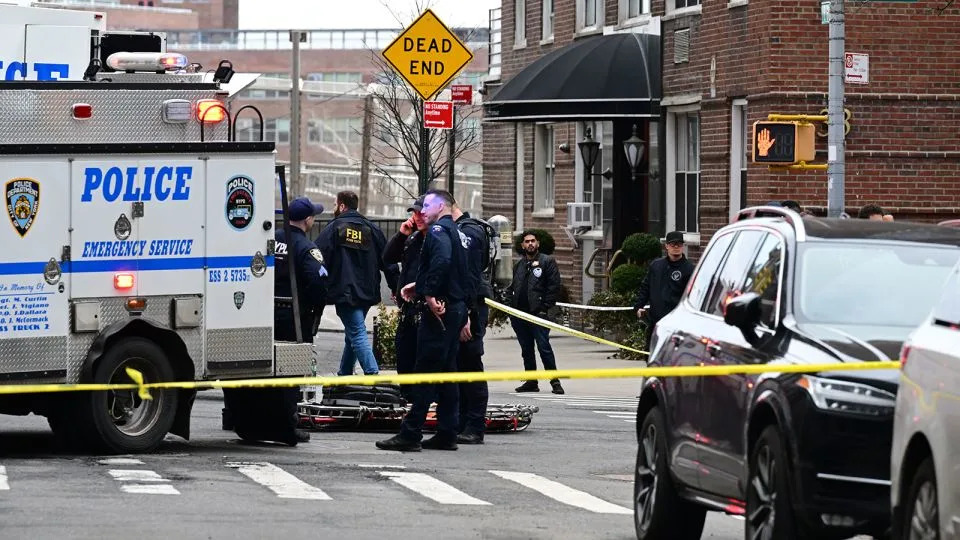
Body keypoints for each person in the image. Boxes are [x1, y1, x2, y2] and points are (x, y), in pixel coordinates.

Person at [222, 196, 327, 446]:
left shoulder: (268, 238)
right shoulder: (306, 247)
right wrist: (315, 306)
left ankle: (246, 421)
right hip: (293, 318)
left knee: (259, 370)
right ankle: (286, 426)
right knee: (288, 374)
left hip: (263, 313)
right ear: (308, 220)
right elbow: (319, 282)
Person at [376, 189, 469, 452]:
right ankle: (447, 432)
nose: (422, 211)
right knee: (448, 373)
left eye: (427, 205)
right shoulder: (458, 234)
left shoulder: (439, 232)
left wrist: (428, 293)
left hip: (439, 312)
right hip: (455, 307)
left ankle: (410, 433)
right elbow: (460, 273)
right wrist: (419, 286)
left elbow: (441, 262)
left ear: (441, 206)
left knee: (425, 373)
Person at [314, 191, 396, 376]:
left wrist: (318, 284)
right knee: (353, 333)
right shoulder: (372, 229)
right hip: (367, 292)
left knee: (357, 332)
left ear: (342, 206)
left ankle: (373, 375)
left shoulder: (334, 228)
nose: (334, 208)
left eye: (335, 204)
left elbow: (317, 257)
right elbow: (388, 260)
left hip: (344, 292)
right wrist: (395, 286)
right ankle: (344, 374)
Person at [452, 200, 492, 444]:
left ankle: (474, 426)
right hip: (466, 305)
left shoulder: (469, 232)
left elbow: (469, 275)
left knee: (470, 364)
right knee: (458, 365)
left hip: (472, 307)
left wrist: (466, 313)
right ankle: (462, 421)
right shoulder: (460, 230)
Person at [508, 231, 564, 395]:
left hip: (539, 314)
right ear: (522, 245)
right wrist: (510, 308)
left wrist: (544, 307)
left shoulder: (547, 262)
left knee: (544, 347)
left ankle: (555, 381)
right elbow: (511, 287)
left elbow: (554, 286)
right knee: (526, 349)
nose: (530, 244)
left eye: (533, 241)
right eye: (527, 241)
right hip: (520, 315)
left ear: (538, 244)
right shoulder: (519, 265)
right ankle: (531, 381)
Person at [382, 196, 427, 394]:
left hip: (426, 311)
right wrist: (401, 235)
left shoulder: (437, 239)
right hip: (407, 311)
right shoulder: (413, 239)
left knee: (422, 365)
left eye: (420, 212)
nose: (416, 216)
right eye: (414, 213)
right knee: (404, 359)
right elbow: (388, 258)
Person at [633, 231, 695, 350]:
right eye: (673, 244)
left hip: (678, 324)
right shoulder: (656, 266)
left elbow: (692, 295)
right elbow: (646, 287)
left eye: (679, 244)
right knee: (650, 355)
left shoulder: (689, 269)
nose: (676, 247)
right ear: (666, 246)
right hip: (656, 322)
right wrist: (638, 306)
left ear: (683, 246)